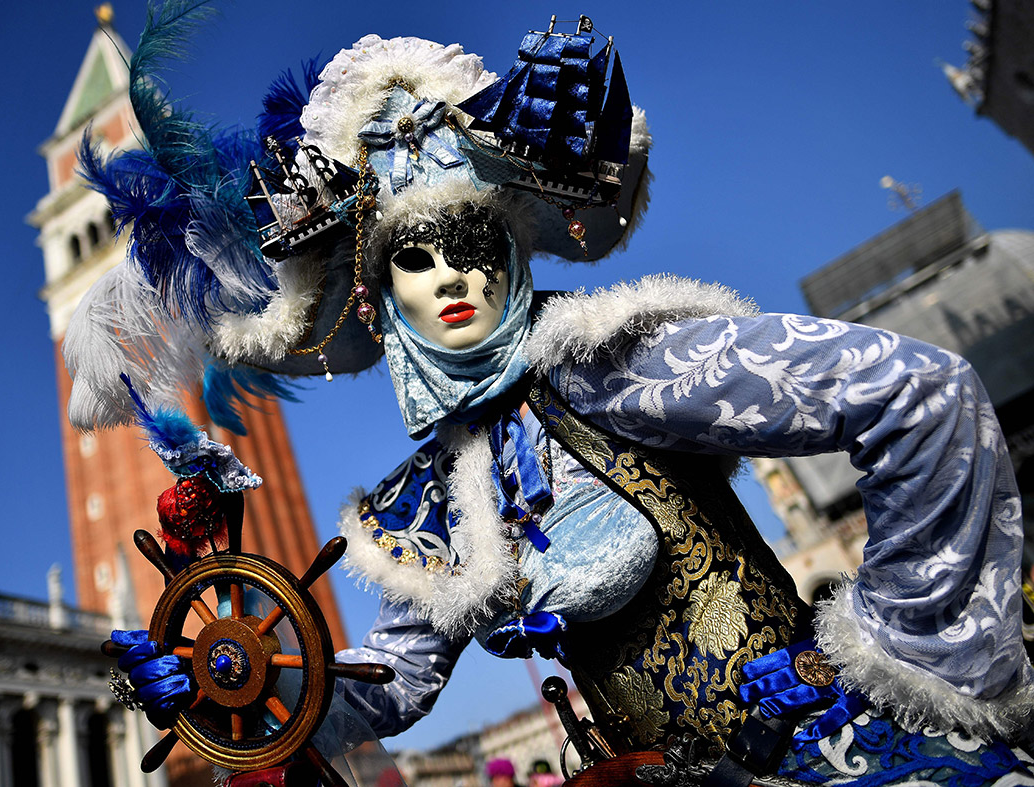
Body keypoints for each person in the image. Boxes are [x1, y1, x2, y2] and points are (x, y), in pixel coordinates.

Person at [67, 4, 1034, 785]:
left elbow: (920, 394)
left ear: (513, 249)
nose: (452, 277)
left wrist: (889, 664)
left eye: (475, 243)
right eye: (415, 254)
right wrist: (227, 681)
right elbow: (388, 684)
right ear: (379, 291)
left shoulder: (620, 362)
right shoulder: (432, 501)